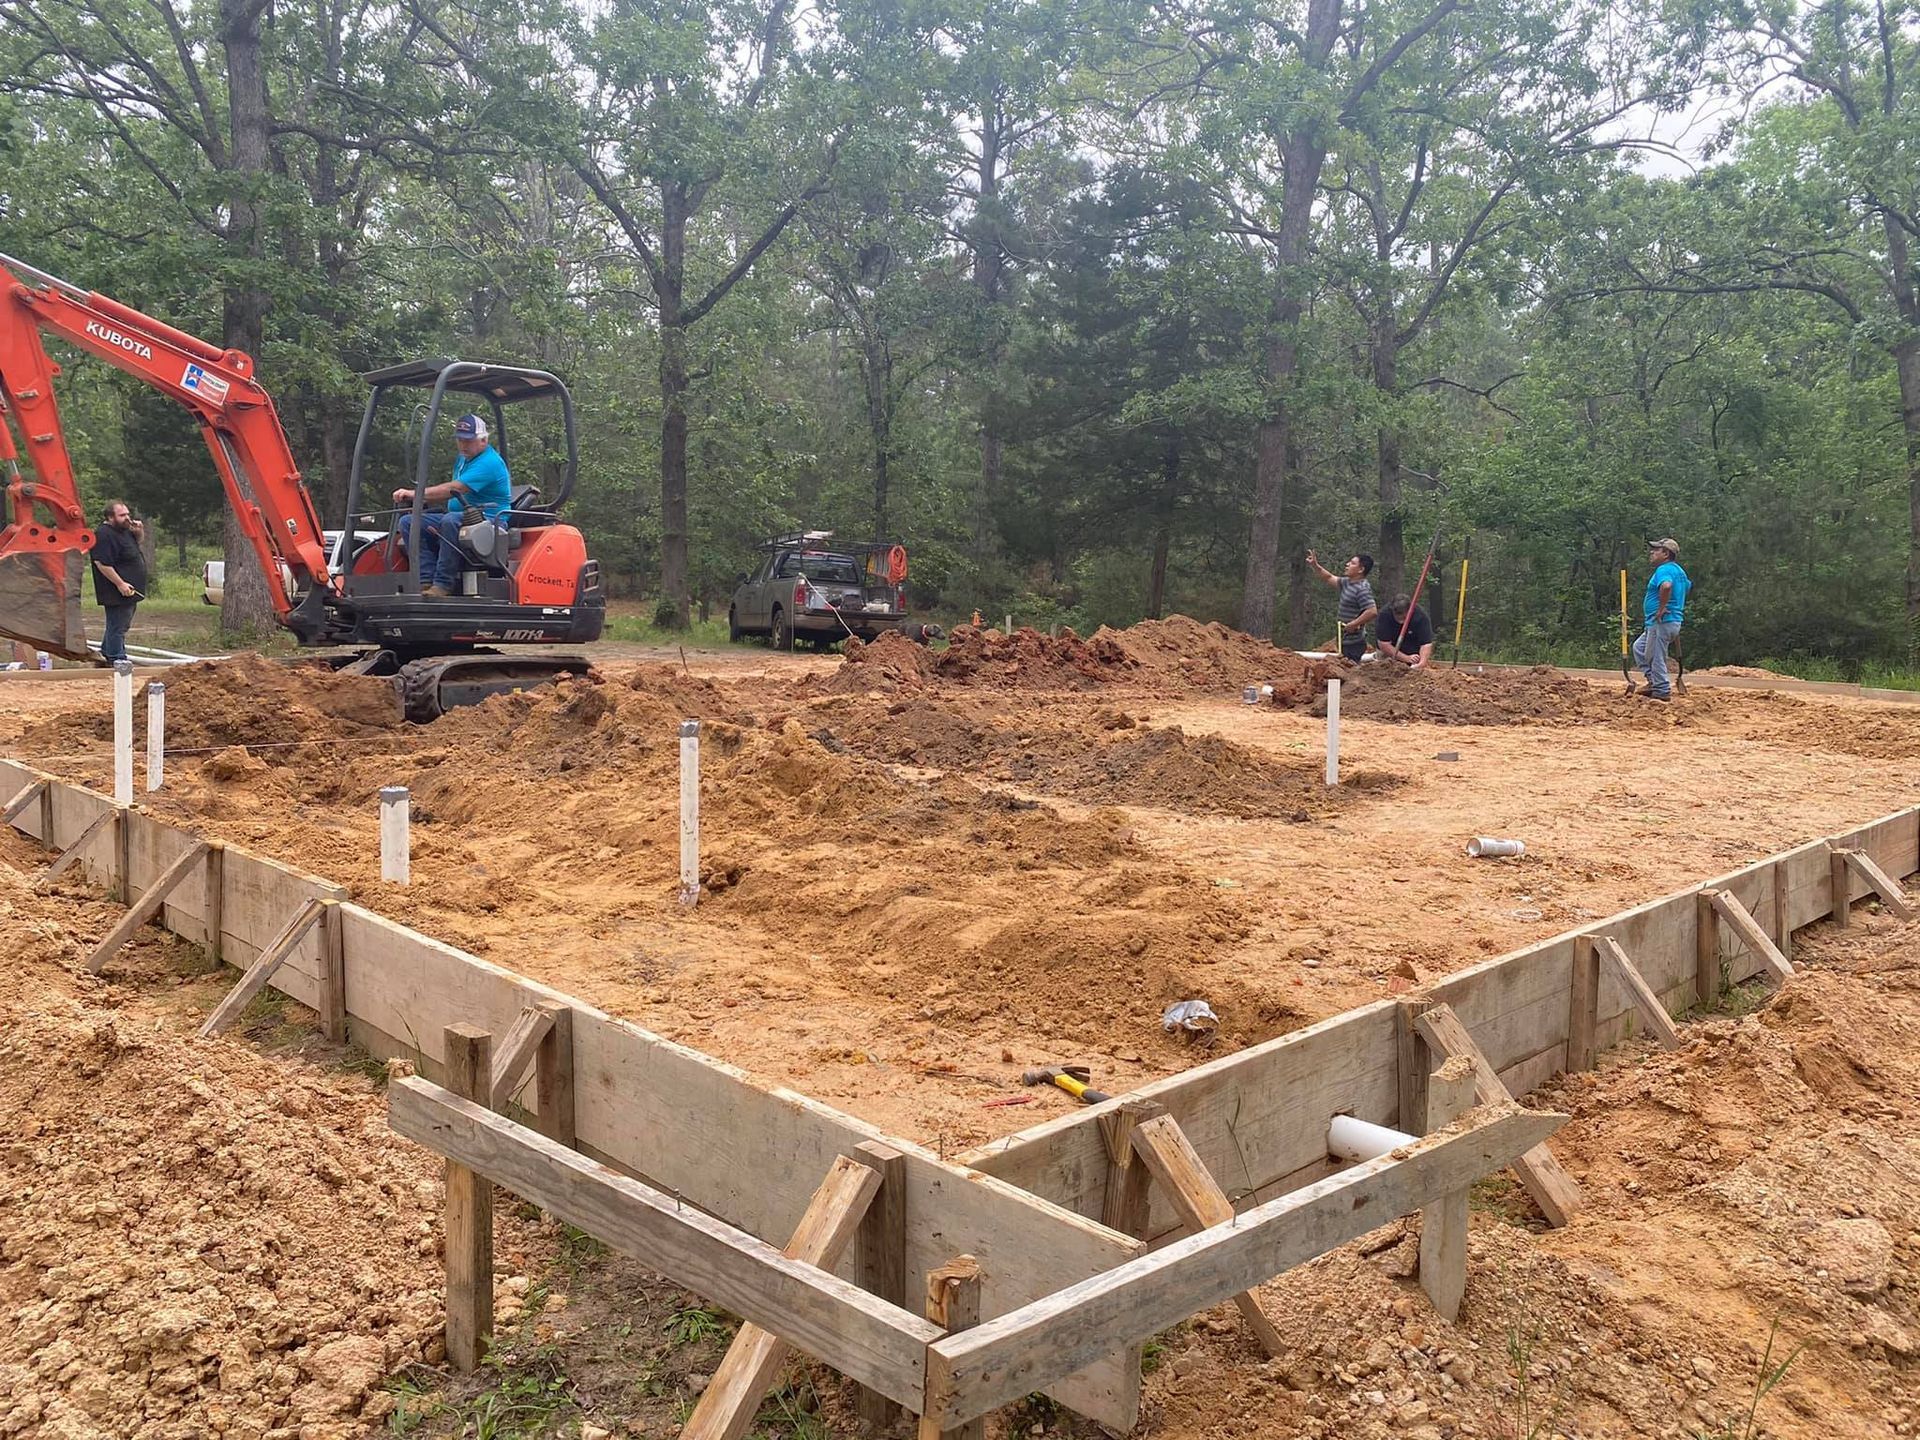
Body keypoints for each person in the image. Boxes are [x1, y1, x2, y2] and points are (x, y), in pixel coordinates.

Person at [392, 413, 512, 597]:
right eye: (460, 440)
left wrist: (415, 494)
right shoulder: (463, 459)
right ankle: (425, 580)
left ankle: (443, 584)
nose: (463, 445)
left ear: (483, 440)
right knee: (409, 522)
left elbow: (455, 488)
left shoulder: (489, 463)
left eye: (468, 440)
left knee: (450, 521)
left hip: (490, 521)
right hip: (464, 516)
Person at [1633, 537, 1690, 701]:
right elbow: (1686, 587)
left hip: (1662, 622)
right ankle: (1653, 681)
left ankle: (1662, 690)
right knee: (1639, 648)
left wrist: (1662, 608)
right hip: (1664, 622)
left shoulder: (1664, 570)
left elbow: (1666, 586)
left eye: (1656, 550)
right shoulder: (1679, 571)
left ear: (1666, 554)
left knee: (1654, 656)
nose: (1652, 552)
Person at [89, 500, 146, 663]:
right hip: (116, 590)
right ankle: (117, 660)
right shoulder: (104, 534)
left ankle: (106, 655)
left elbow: (136, 546)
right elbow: (102, 563)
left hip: (131, 589)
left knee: (121, 625)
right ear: (110, 517)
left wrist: (139, 532)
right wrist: (120, 583)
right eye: (122, 515)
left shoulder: (125, 530)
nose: (127, 518)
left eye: (128, 514)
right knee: (117, 626)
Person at [1305, 550, 1377, 661]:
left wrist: (1354, 624)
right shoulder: (1347, 583)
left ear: (1361, 569)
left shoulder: (1362, 589)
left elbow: (1372, 611)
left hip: (1354, 642)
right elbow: (1328, 577)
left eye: (1352, 563)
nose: (1347, 564)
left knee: (1349, 671)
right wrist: (1315, 565)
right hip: (1344, 640)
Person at [1376, 593, 1435, 669]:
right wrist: (1406, 658)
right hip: (1389, 652)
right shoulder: (1384, 615)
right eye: (1397, 617)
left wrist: (1422, 663)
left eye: (1404, 617)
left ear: (1410, 610)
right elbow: (1384, 644)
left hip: (1414, 652)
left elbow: (1426, 644)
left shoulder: (1421, 616)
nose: (1401, 622)